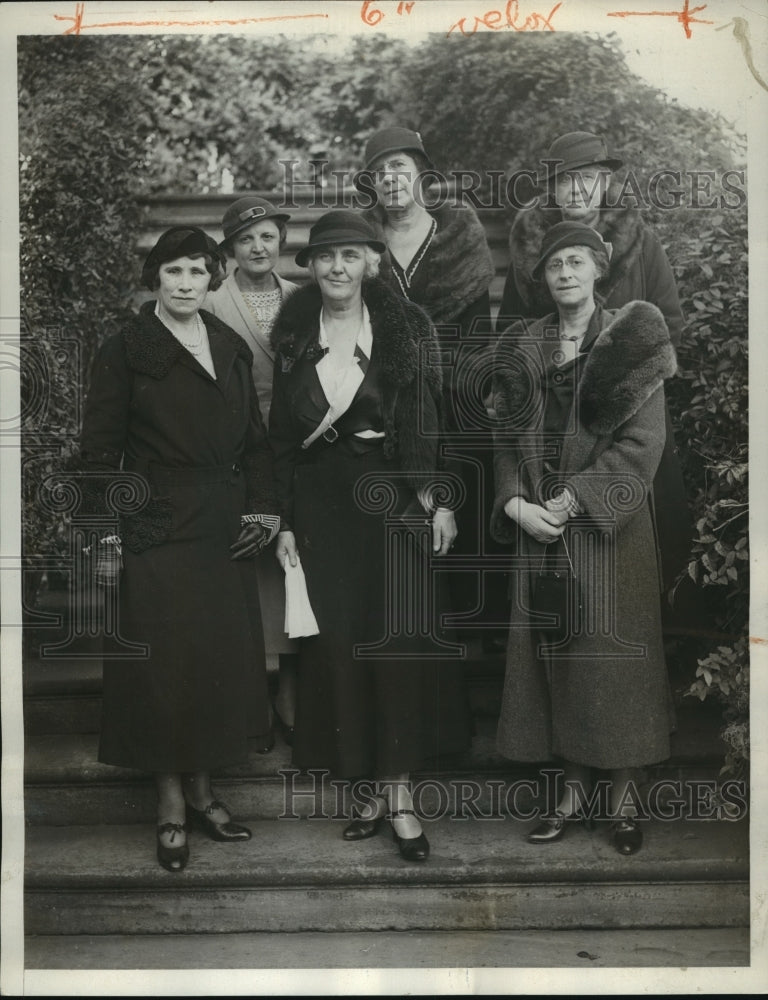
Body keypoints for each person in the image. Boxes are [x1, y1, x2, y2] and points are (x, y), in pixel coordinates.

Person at [269, 210, 471, 862]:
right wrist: (283, 520)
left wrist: (436, 498)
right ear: (310, 266)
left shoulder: (403, 329)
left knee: (398, 639)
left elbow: (426, 418)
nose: (337, 268)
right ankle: (365, 787)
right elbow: (280, 439)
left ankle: (401, 791)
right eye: (325, 257)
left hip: (391, 492)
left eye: (350, 256)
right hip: (322, 503)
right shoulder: (294, 335)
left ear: (369, 265)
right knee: (343, 645)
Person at [78, 226, 279, 873]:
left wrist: (264, 506)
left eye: (198, 271)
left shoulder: (229, 346)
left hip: (223, 526)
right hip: (154, 525)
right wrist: (106, 535)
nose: (186, 283)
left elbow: (255, 441)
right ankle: (169, 804)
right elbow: (98, 451)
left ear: (212, 277)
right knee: (163, 669)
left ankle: (203, 790)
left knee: (212, 661)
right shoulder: (124, 350)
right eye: (174, 272)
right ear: (154, 279)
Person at [491, 221, 677, 855]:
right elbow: (504, 439)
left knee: (613, 663)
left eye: (577, 262)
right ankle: (570, 794)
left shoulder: (631, 338)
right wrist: (515, 502)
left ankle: (624, 796)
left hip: (607, 533)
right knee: (556, 657)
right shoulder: (524, 345)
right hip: (539, 531)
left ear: (599, 270)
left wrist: (574, 500)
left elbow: (642, 444)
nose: (565, 273)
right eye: (553, 266)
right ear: (540, 281)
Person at [497, 130, 689, 592]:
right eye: (564, 181)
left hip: (624, 418)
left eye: (586, 179)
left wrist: (615, 377)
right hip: (550, 421)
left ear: (604, 181)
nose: (576, 190)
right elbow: (509, 339)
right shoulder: (532, 249)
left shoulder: (640, 244)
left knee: (632, 561)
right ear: (552, 189)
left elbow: (670, 326)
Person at [358, 125, 504, 643]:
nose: (391, 179)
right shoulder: (361, 242)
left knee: (460, 509)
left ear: (421, 174)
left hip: (454, 392)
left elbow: (478, 339)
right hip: (382, 398)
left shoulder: (459, 234)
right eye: (380, 171)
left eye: (400, 167)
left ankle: (469, 650)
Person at [205, 195, 300, 745]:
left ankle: (289, 695)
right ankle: (249, 701)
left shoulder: (302, 297)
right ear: (231, 251)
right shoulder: (215, 302)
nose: (258, 247)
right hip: (239, 447)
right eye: (246, 239)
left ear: (280, 242)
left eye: (267, 236)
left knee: (291, 569)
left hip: (296, 446)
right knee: (246, 570)